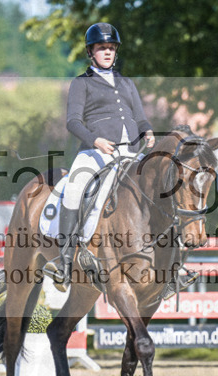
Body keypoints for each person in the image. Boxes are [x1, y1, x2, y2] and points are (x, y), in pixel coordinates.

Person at [46, 22, 156, 291]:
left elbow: (140, 118)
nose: (107, 52)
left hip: (130, 152)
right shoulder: (81, 83)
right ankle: (64, 262)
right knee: (74, 188)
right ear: (90, 52)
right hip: (95, 151)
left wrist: (148, 131)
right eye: (101, 48)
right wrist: (95, 140)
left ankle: (170, 262)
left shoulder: (127, 83)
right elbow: (72, 122)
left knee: (159, 189)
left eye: (111, 48)